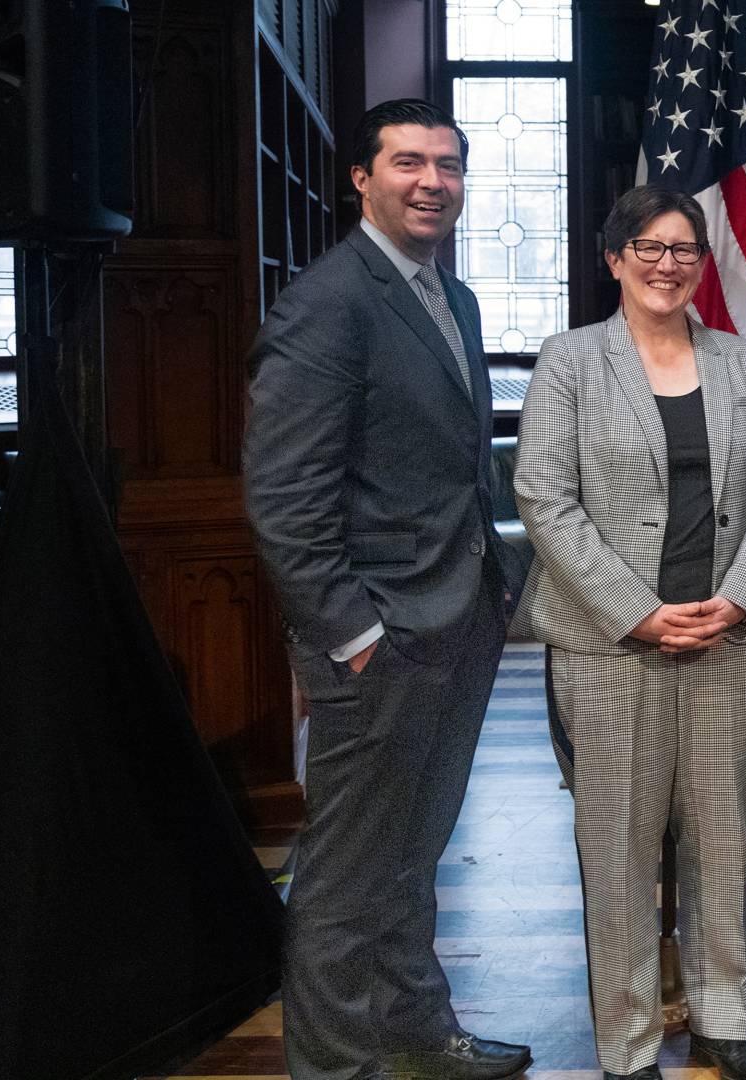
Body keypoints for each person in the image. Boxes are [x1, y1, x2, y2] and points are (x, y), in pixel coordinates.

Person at [244, 99, 530, 1080]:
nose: (432, 182)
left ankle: (417, 1032)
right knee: (345, 875)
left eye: (448, 165)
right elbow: (284, 496)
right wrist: (353, 634)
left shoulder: (452, 297)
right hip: (379, 640)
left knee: (415, 850)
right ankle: (335, 1068)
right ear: (361, 179)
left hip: (458, 619)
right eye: (408, 162)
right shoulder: (327, 303)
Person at [512, 186, 746, 1080]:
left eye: (684, 250)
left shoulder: (741, 363)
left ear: (703, 264)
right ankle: (629, 1044)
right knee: (620, 849)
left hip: (726, 641)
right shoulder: (570, 361)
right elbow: (543, 497)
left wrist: (741, 597)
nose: (667, 264)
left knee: (721, 836)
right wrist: (634, 609)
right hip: (611, 645)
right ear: (615, 258)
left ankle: (722, 1019)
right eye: (649, 247)